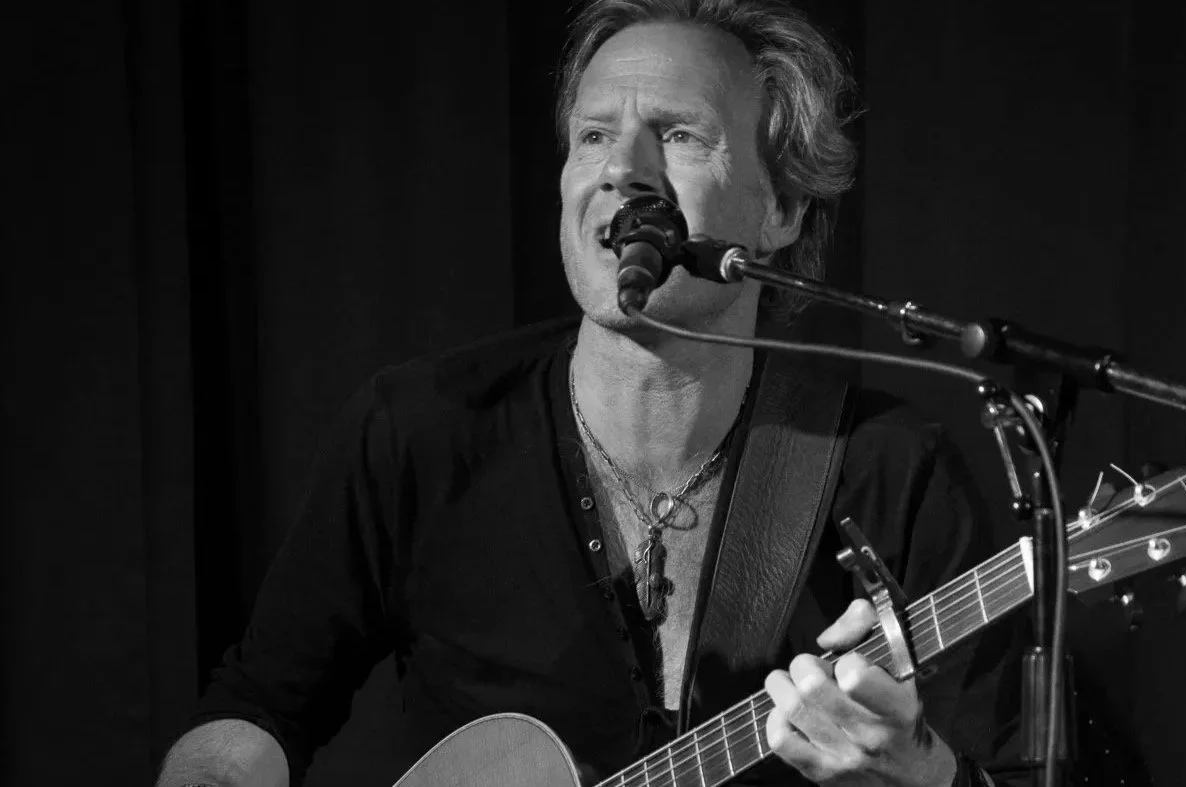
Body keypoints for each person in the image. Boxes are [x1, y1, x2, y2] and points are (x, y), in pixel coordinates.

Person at [157, 1, 1033, 785]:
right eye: (593, 137)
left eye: (679, 135)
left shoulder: (891, 472)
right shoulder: (423, 430)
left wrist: (922, 774)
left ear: (782, 209)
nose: (623, 170)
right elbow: (259, 706)